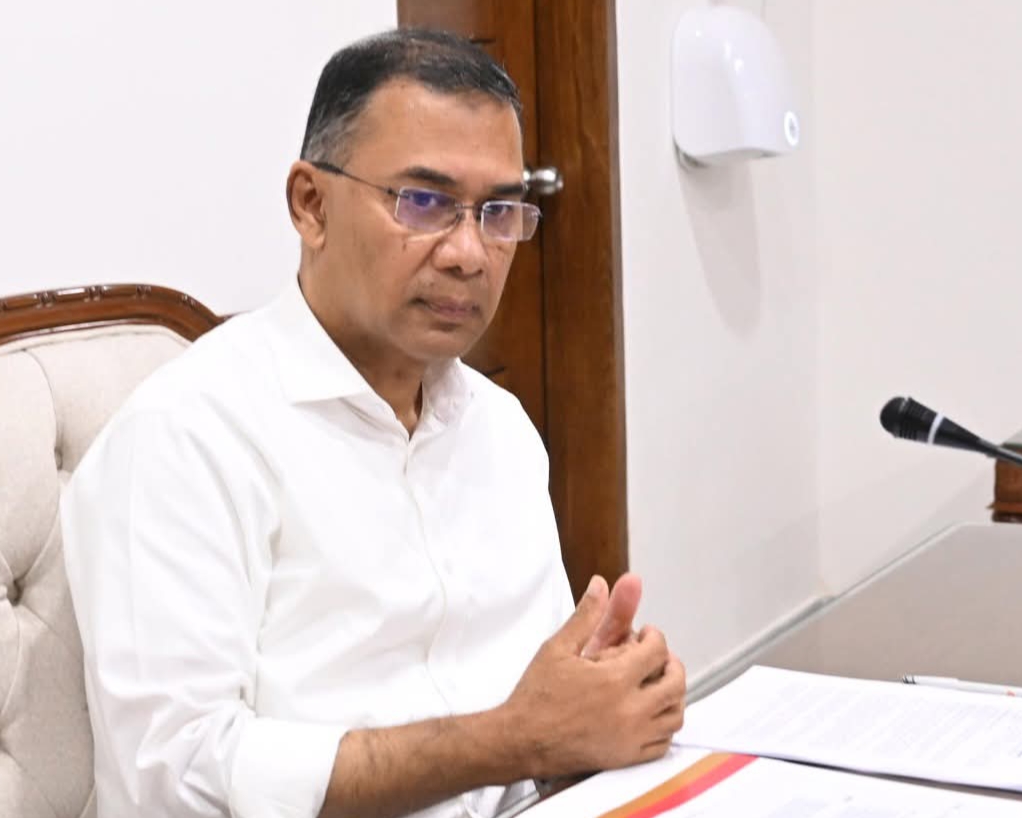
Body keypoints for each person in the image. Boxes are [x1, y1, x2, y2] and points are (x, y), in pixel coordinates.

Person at [61, 28, 685, 818]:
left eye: (498, 212)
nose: (468, 254)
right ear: (310, 205)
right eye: (424, 202)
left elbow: (544, 720)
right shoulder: (186, 435)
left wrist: (612, 702)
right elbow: (177, 778)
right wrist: (513, 740)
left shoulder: (499, 429)